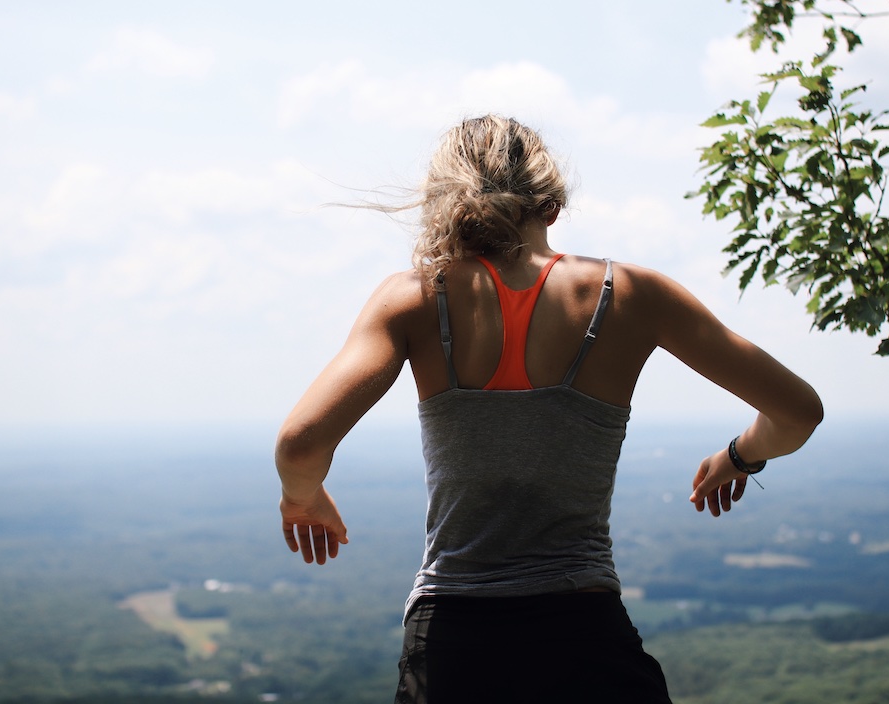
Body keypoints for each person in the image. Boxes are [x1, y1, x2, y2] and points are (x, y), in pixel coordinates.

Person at [275, 114, 823, 703]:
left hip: (456, 645)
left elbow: (302, 445)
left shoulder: (412, 298)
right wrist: (741, 456)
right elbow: (797, 413)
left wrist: (302, 497)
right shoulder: (632, 295)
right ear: (552, 205)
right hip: (586, 640)